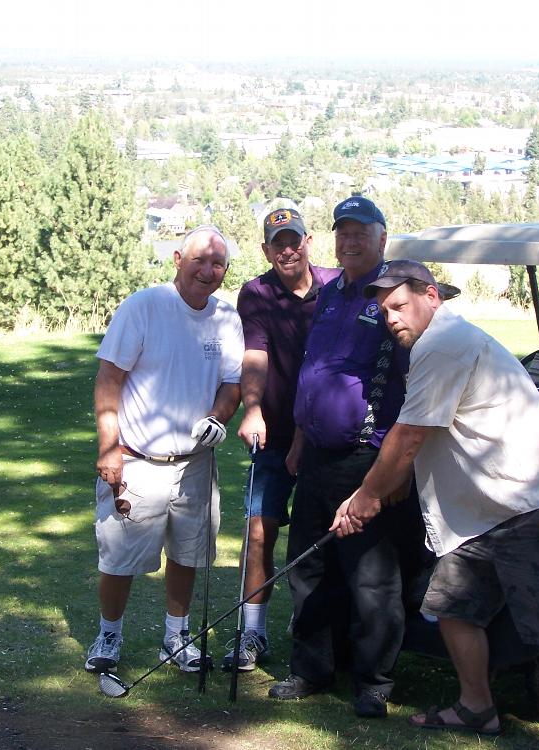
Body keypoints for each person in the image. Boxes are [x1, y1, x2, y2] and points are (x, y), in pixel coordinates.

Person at [330, 260, 539, 749]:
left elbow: (411, 434)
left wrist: (365, 496)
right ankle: (477, 708)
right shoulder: (436, 345)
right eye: (384, 310)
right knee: (452, 607)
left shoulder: (443, 343)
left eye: (399, 305)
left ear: (431, 296)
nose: (391, 318)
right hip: (482, 512)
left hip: (532, 505)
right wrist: (386, 485)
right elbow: (434, 431)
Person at [268, 196, 424, 719]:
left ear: (383, 237)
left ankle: (374, 681)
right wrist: (296, 439)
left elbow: (414, 384)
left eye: (361, 231)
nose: (350, 240)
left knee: (371, 577)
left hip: (368, 460)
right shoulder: (331, 292)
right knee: (308, 568)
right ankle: (311, 668)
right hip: (314, 456)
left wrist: (395, 469)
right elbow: (316, 368)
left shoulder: (392, 297)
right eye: (343, 231)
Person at [85, 225, 244, 675]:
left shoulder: (226, 319)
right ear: (178, 258)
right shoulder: (144, 307)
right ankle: (109, 636)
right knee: (119, 557)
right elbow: (108, 378)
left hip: (194, 463)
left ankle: (176, 637)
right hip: (137, 459)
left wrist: (218, 418)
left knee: (189, 553)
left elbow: (231, 385)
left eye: (217, 264)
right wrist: (109, 447)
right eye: (199, 260)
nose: (208, 270)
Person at [221, 207, 339, 672]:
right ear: (266, 249)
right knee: (257, 532)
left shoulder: (336, 287)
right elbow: (255, 355)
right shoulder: (255, 293)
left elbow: (332, 366)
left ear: (309, 241)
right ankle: (253, 632)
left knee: (328, 538)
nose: (287, 249)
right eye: (278, 242)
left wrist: (305, 438)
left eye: (294, 240)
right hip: (272, 436)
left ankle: (326, 629)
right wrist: (252, 410)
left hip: (327, 435)